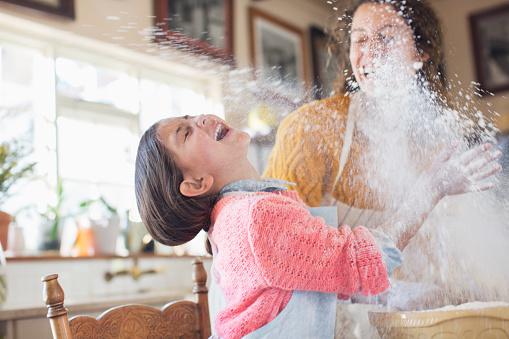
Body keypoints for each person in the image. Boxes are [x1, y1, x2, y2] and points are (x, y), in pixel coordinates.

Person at [134, 114, 499, 338]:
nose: (200, 119)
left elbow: (315, 278)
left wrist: (388, 294)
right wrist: (431, 188)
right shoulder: (253, 220)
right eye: (185, 132)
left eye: (190, 115)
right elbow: (355, 260)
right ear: (196, 184)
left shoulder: (243, 214)